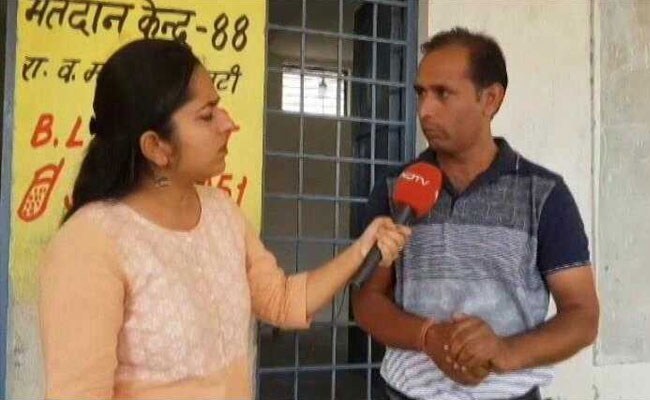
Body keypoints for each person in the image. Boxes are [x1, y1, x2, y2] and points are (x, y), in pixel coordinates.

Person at [38, 38, 411, 400]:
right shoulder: (89, 245)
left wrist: (363, 249)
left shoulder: (221, 213)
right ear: (156, 146)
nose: (228, 123)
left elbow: (281, 301)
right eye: (207, 115)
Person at [352, 27, 599, 400]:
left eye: (443, 93)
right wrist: (428, 337)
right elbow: (367, 300)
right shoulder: (394, 190)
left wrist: (504, 351)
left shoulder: (544, 195)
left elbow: (582, 315)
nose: (425, 110)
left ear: (491, 99)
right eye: (421, 93)